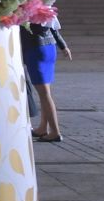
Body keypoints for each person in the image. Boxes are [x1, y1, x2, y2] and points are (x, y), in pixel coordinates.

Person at [22, 14, 72, 143]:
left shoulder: (26, 8)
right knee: (45, 93)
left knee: (44, 94)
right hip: (50, 48)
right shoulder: (43, 7)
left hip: (35, 49)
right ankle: (43, 128)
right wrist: (63, 46)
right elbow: (53, 29)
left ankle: (55, 132)